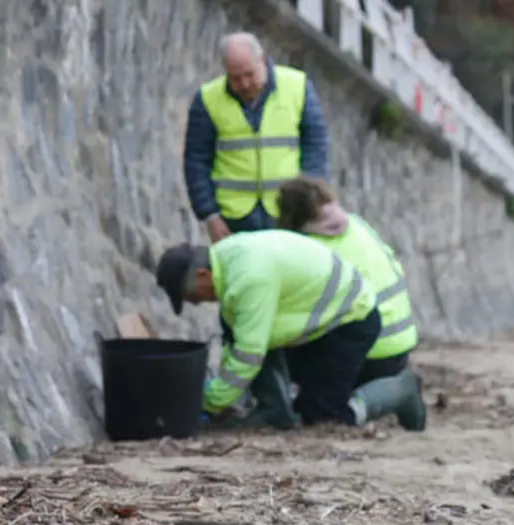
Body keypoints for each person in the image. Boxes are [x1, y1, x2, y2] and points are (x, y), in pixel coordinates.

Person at [154, 231, 378, 427]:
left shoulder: (248, 279)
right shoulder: (225, 259)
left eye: (191, 296)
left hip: (350, 323)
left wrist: (206, 402)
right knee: (233, 325)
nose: (195, 302)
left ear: (203, 274)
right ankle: (276, 411)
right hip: (321, 323)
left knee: (323, 416)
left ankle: (396, 392)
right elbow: (241, 339)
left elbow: (249, 354)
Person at [276, 177, 427, 430]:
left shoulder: (309, 248)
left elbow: (298, 320)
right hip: (397, 345)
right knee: (311, 404)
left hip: (369, 352)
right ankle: (394, 387)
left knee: (326, 415)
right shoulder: (358, 224)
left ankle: (399, 390)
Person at [184, 32, 330, 242]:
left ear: (262, 59)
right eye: (235, 78)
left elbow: (316, 148)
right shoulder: (207, 100)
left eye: (249, 74)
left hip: (288, 213)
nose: (244, 84)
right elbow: (196, 161)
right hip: (233, 219)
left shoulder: (297, 87)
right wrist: (210, 215)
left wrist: (311, 202)